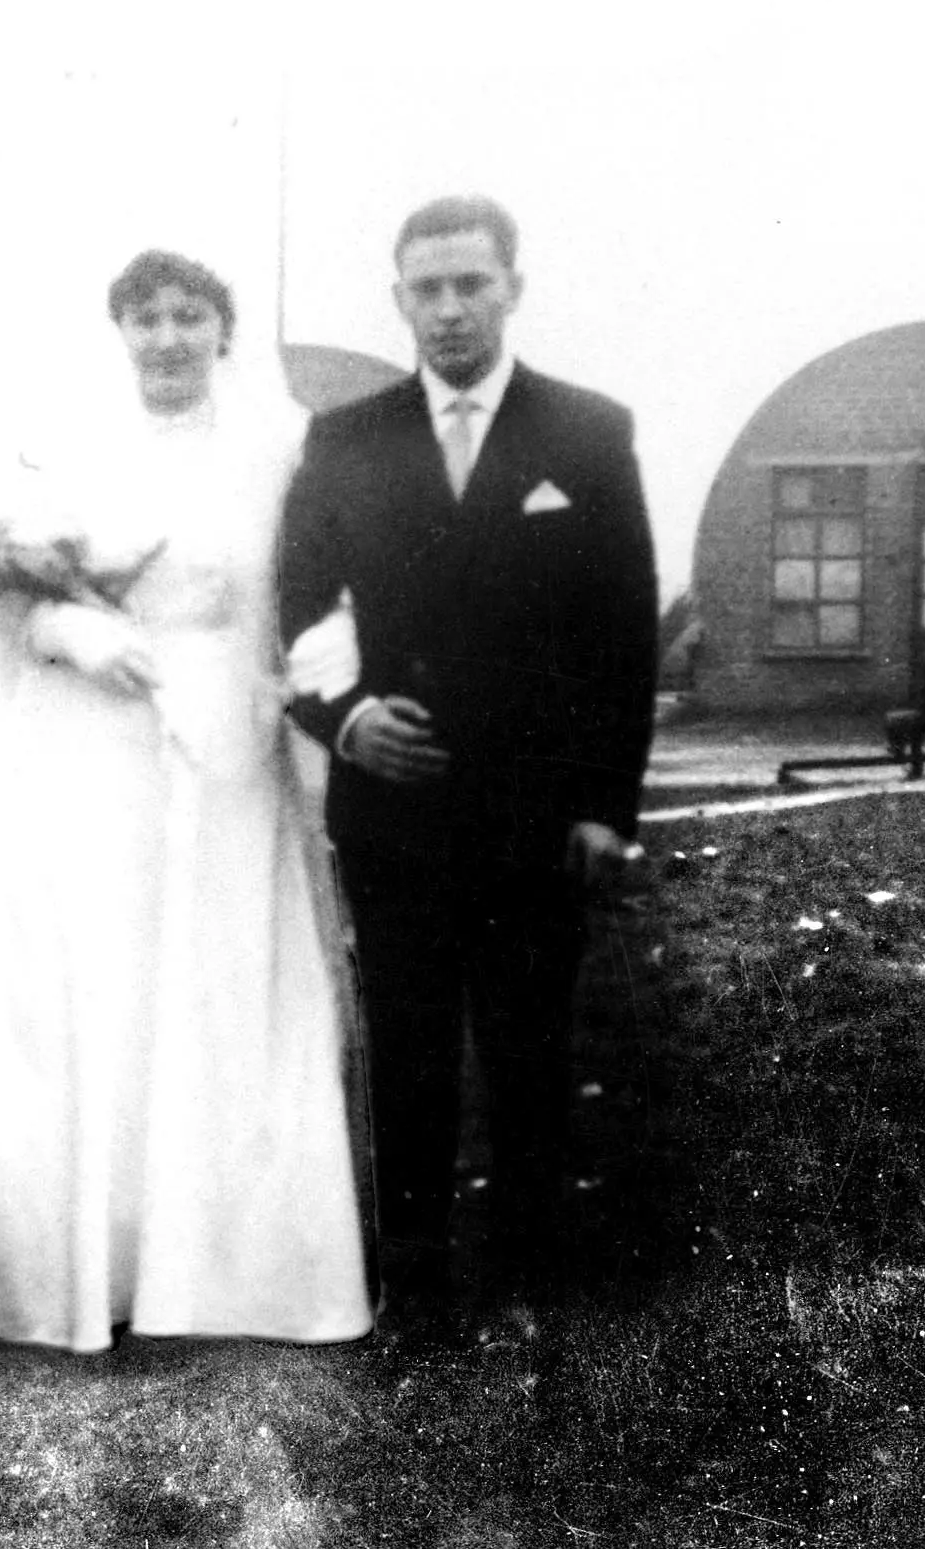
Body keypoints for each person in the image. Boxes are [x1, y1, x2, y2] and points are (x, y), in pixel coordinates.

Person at [0, 250, 372, 1353]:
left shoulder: (281, 451)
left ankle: (222, 1269)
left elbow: (326, 581)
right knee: (80, 981)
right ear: (119, 332)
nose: (168, 339)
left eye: (190, 317)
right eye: (146, 319)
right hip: (82, 743)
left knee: (212, 978)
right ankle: (58, 1265)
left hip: (220, 738)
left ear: (223, 332)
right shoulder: (65, 447)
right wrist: (61, 628)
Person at [278, 194, 659, 1309]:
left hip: (535, 812)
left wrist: (604, 805)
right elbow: (292, 609)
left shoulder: (586, 433)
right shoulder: (345, 439)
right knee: (404, 1047)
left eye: (469, 285)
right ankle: (416, 1279)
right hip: (392, 808)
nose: (447, 310)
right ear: (397, 300)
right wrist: (344, 719)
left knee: (527, 1041)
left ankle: (533, 1269)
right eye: (426, 289)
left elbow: (620, 630)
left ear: (511, 289)